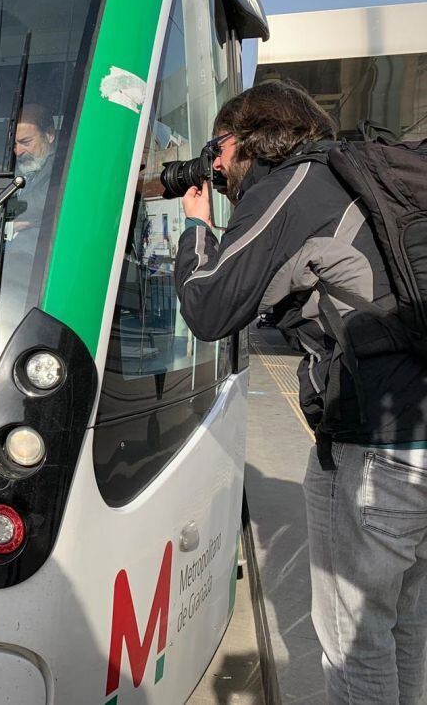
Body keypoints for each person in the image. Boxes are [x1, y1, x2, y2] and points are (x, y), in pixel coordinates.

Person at [173, 80, 427, 704]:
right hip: (418, 433)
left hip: (376, 448)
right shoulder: (360, 176)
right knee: (408, 624)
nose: (219, 168)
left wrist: (198, 226)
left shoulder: (292, 186)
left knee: (355, 642)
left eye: (218, 152)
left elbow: (209, 306)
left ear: (234, 142)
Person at [9, 103, 58, 236]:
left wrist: (3, 211)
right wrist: (10, 227)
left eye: (26, 142)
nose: (18, 152)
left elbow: (48, 201)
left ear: (49, 135)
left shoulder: (63, 168)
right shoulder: (11, 172)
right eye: (14, 145)